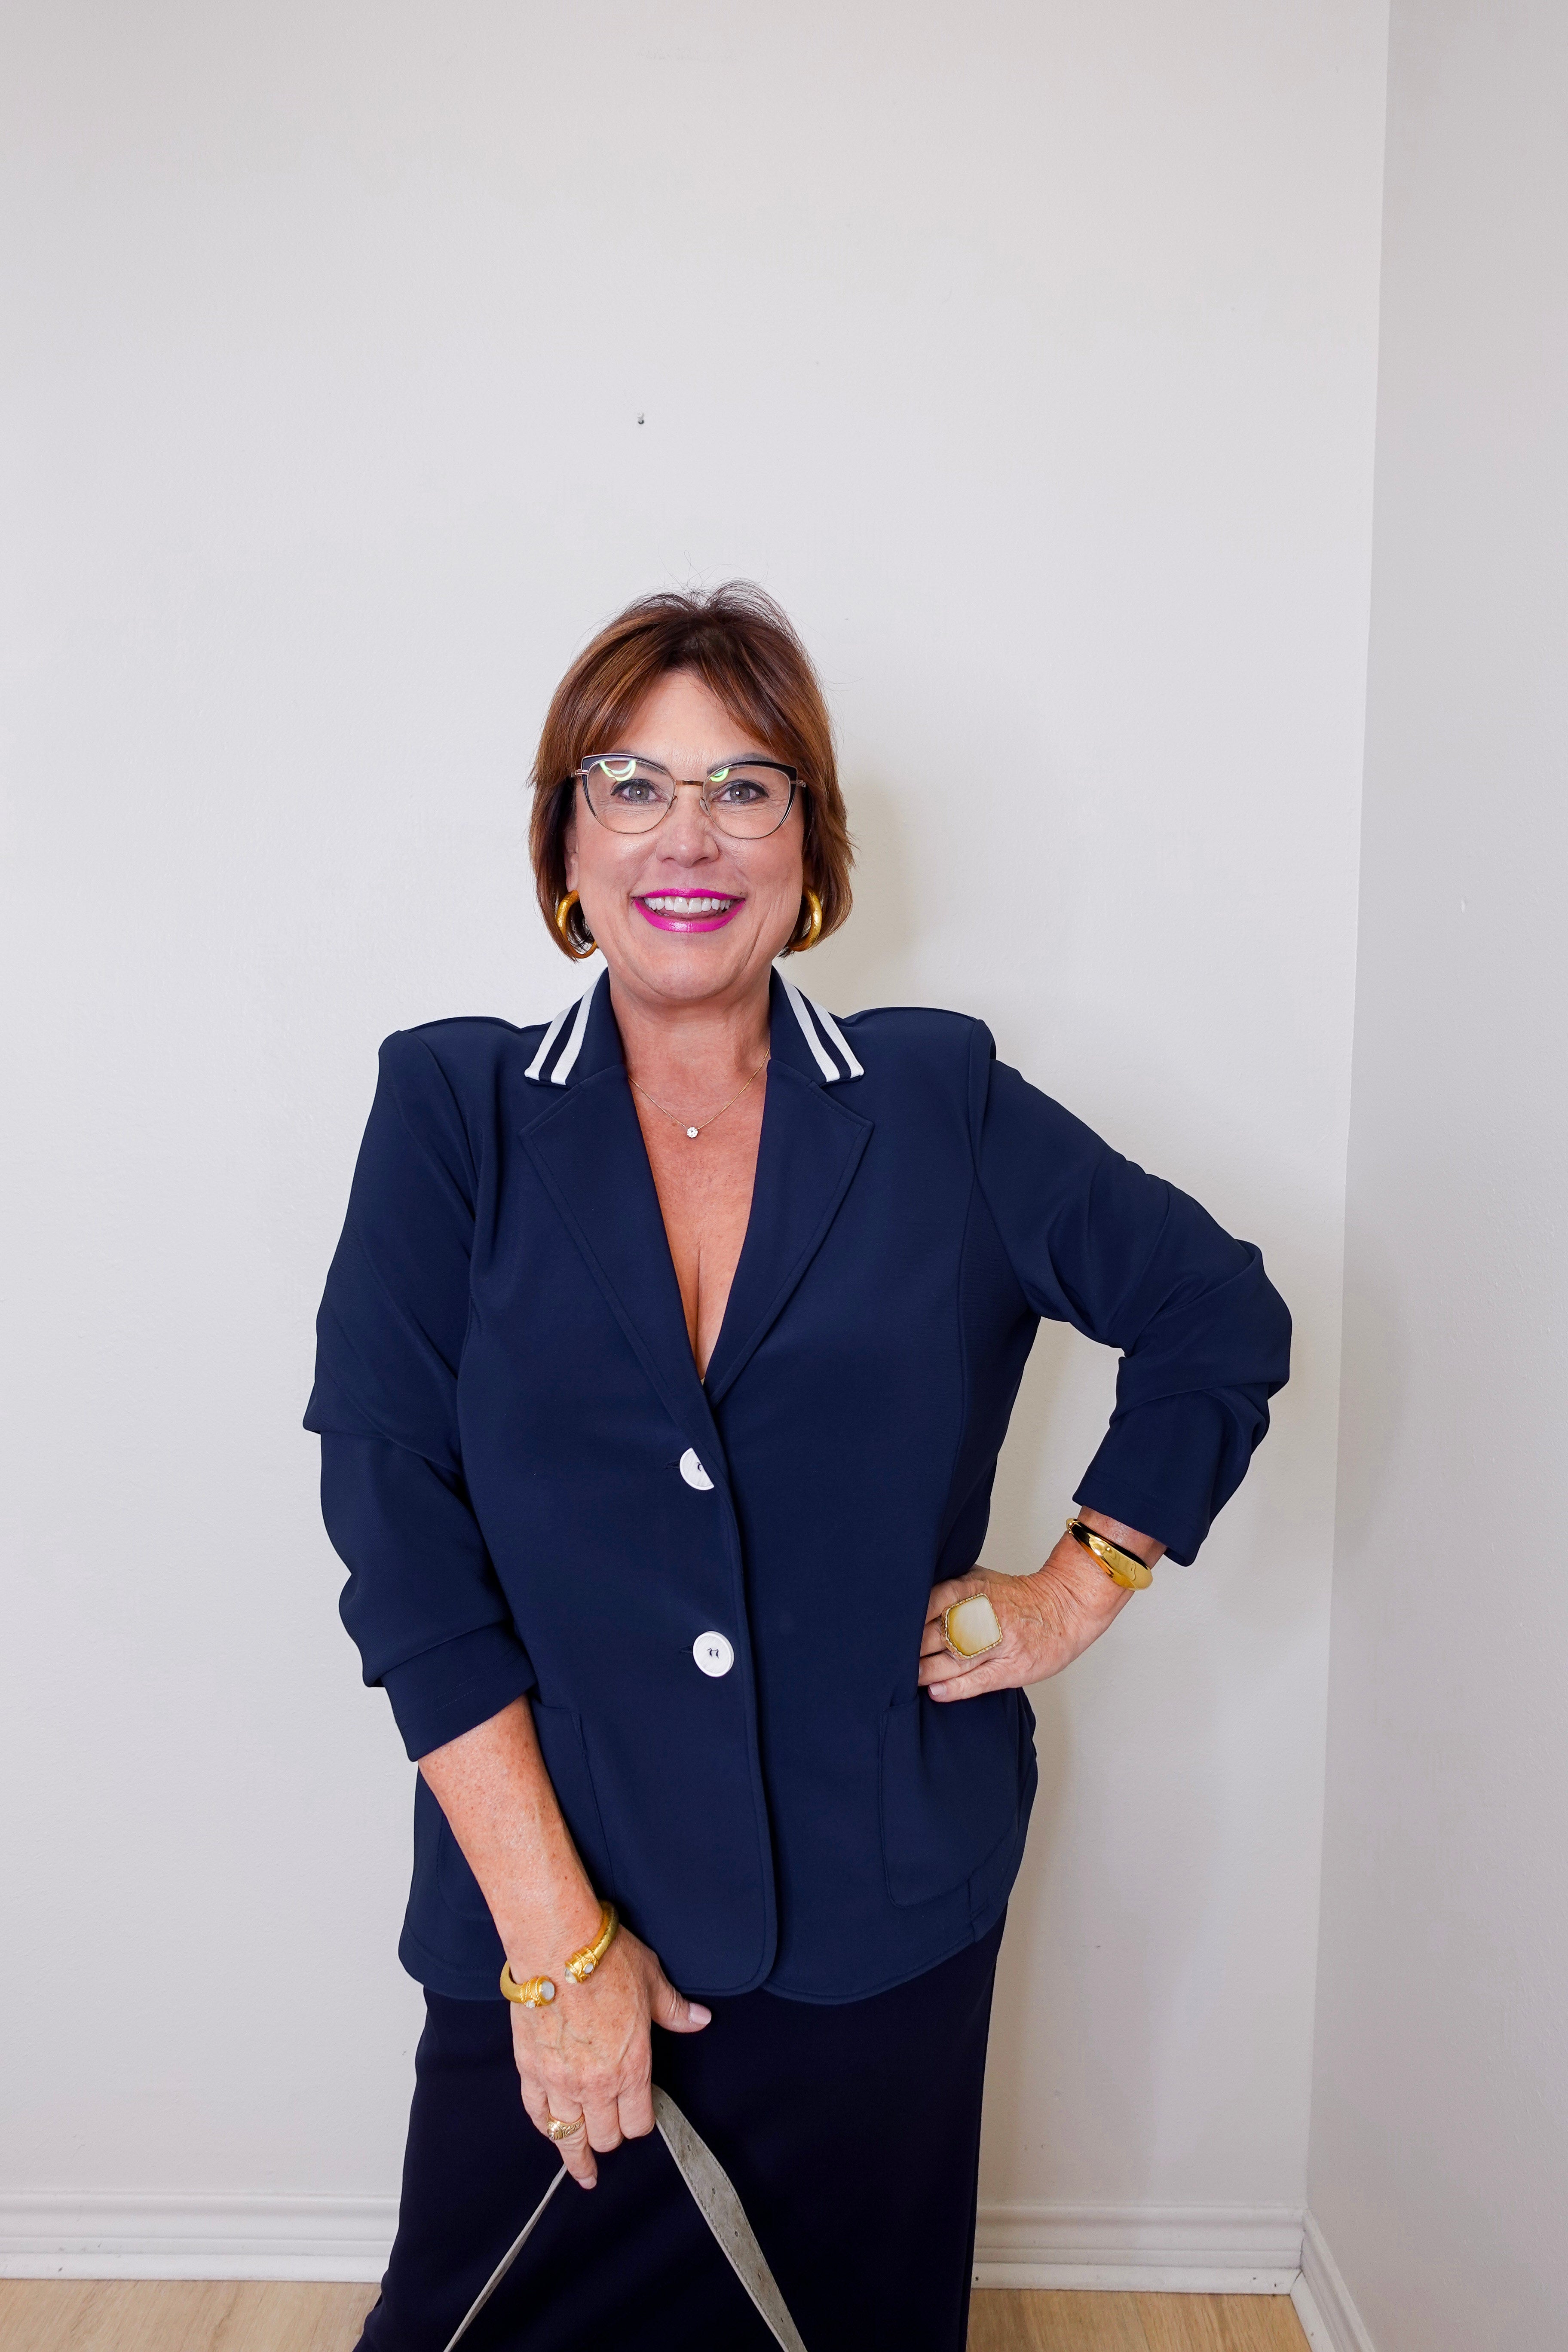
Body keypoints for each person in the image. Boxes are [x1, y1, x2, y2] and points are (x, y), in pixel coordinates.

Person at [305, 583, 1291, 2351]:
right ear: (565, 840)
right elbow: (396, 1529)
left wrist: (1081, 1585)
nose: (690, 835)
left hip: (882, 1916)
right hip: (559, 1908)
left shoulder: (940, 1107)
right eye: (633, 786)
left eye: (747, 787)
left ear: (811, 844)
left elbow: (1218, 1314)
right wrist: (561, 1948)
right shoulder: (452, 1115)